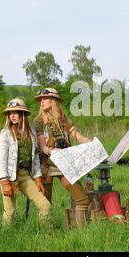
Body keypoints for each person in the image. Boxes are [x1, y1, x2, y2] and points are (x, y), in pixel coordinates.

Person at [34, 88, 93, 226]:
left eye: (45, 98)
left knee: (82, 199)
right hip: (46, 166)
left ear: (53, 100)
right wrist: (47, 149)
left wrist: (88, 141)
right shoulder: (39, 120)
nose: (42, 101)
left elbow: (76, 135)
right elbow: (42, 144)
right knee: (45, 203)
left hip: (64, 165)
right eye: (41, 99)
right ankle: (43, 233)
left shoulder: (62, 117)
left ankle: (82, 235)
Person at [0, 98, 51, 226]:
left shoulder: (31, 132)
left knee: (45, 206)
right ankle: (5, 239)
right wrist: (4, 180)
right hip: (10, 176)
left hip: (25, 176)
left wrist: (38, 177)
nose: (13, 115)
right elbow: (2, 159)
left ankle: (43, 234)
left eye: (16, 112)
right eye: (10, 113)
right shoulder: (5, 133)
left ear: (23, 114)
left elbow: (36, 157)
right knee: (10, 211)